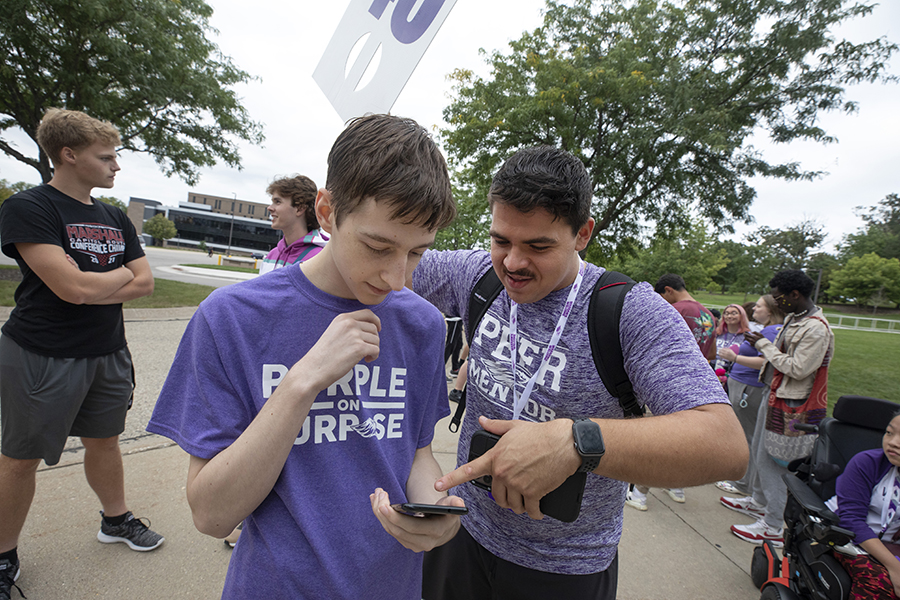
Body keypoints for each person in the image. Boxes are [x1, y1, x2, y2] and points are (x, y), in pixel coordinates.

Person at [146, 114, 461, 599]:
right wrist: (301, 382)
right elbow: (211, 515)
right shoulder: (232, 318)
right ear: (328, 211)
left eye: (417, 252)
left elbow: (417, 454)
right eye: (378, 246)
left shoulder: (421, 323)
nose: (397, 278)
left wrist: (432, 511)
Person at [412, 145, 747, 600]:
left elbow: (724, 444)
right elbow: (389, 263)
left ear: (583, 233)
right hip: (462, 533)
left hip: (564, 568)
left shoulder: (628, 312)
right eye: (501, 240)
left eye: (538, 246)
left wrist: (574, 442)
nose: (512, 263)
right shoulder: (477, 276)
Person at [0, 108, 163, 600]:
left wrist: (96, 283)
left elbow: (147, 283)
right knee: (19, 460)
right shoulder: (30, 208)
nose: (116, 166)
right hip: (41, 352)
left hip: (107, 352)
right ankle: (4, 555)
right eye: (106, 157)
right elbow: (70, 288)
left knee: (105, 442)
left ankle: (115, 520)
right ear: (69, 155)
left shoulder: (114, 216)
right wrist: (112, 279)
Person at [724, 270, 834, 547]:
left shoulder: (816, 328)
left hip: (793, 404)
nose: (776, 302)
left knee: (775, 461)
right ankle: (758, 502)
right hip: (775, 395)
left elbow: (798, 368)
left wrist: (763, 345)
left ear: (795, 295)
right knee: (761, 453)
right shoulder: (795, 320)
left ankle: (773, 527)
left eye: (779, 297)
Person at [625, 274, 721, 509]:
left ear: (667, 291)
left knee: (657, 441)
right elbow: (712, 354)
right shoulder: (708, 314)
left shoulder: (672, 310)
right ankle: (676, 486)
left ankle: (639, 493)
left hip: (666, 382)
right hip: (696, 386)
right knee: (686, 441)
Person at [714, 295, 785, 495]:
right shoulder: (768, 330)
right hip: (743, 385)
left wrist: (735, 357)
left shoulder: (771, 331)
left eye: (759, 306)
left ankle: (743, 483)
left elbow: (766, 361)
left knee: (747, 436)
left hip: (748, 388)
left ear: (770, 311)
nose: (755, 309)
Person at [827, 410, 900, 599]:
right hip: (848, 538)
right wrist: (894, 567)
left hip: (892, 546)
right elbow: (850, 520)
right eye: (890, 432)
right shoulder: (866, 463)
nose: (893, 442)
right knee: (879, 583)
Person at [258, 174, 329, 274]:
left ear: (300, 209)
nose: (269, 208)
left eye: (277, 202)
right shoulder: (271, 256)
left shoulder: (319, 258)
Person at [713, 304, 752, 373]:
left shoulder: (747, 336)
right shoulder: (717, 333)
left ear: (741, 316)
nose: (729, 316)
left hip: (733, 372)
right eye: (726, 313)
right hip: (713, 369)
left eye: (734, 314)